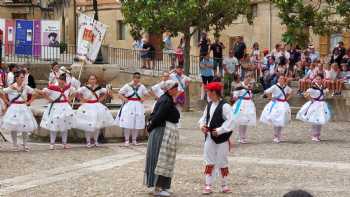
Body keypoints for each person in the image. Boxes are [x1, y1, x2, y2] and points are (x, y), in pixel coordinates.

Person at [144, 80, 180, 197]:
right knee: (160, 159)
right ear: (169, 89)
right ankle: (157, 187)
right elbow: (158, 116)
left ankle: (163, 186)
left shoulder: (167, 99)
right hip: (161, 132)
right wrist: (150, 127)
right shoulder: (165, 100)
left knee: (165, 159)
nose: (176, 89)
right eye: (175, 87)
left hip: (164, 131)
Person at [198, 82, 235, 194]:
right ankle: (208, 185)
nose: (207, 93)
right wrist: (202, 126)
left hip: (222, 139)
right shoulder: (209, 105)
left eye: (208, 91)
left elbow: (231, 121)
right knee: (209, 160)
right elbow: (204, 118)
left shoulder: (225, 106)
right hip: (209, 137)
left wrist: (219, 130)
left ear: (214, 92)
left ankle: (224, 185)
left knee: (222, 161)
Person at [0, 70, 38, 151]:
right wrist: (6, 102)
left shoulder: (25, 87)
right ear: (16, 78)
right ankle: (14, 145)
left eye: (23, 77)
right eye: (21, 77)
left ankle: (25, 144)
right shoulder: (12, 87)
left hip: (24, 107)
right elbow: (1, 92)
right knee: (13, 127)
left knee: (25, 126)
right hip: (14, 108)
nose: (23, 79)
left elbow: (35, 93)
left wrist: (30, 101)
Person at [75, 74, 115, 148]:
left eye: (94, 79)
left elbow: (107, 92)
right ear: (88, 80)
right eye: (91, 79)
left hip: (96, 106)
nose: (92, 80)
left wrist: (101, 99)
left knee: (97, 125)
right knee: (87, 125)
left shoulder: (99, 88)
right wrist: (82, 99)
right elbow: (76, 93)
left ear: (96, 80)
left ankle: (96, 140)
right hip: (87, 106)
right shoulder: (84, 88)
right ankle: (88, 141)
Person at [39, 73, 77, 150]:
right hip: (55, 108)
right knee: (54, 125)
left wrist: (69, 99)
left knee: (65, 125)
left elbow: (75, 92)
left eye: (63, 83)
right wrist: (49, 99)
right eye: (60, 82)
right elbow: (42, 92)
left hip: (65, 107)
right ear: (58, 80)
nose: (61, 84)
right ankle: (52, 143)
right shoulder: (52, 87)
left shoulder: (68, 87)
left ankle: (64, 143)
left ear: (65, 82)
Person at [116, 72, 149, 146]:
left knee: (137, 122)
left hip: (138, 105)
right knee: (127, 122)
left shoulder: (142, 86)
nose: (136, 79)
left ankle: (134, 140)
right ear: (133, 78)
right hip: (129, 105)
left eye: (138, 78)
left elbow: (147, 94)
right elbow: (119, 93)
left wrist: (143, 99)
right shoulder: (127, 86)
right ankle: (127, 140)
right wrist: (124, 99)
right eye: (135, 77)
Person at [296, 74, 331, 142]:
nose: (318, 80)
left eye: (319, 79)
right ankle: (314, 135)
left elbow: (326, 94)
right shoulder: (313, 87)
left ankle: (318, 135)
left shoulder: (323, 87)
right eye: (317, 79)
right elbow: (305, 93)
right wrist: (311, 99)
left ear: (322, 80)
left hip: (322, 105)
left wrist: (325, 95)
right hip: (315, 105)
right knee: (315, 120)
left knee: (320, 120)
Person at [260, 76, 292, 143]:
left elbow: (291, 92)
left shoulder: (286, 87)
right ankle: (276, 136)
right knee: (276, 119)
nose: (281, 79)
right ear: (278, 79)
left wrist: (287, 99)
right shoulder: (275, 86)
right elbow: (266, 91)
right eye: (280, 78)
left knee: (281, 120)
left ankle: (279, 135)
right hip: (276, 104)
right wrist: (271, 98)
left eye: (283, 78)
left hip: (283, 104)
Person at [231, 75, 256, 144]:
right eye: (247, 79)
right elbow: (235, 96)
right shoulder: (239, 86)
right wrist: (236, 98)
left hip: (248, 104)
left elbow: (250, 96)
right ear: (244, 78)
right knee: (241, 120)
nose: (248, 81)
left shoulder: (249, 86)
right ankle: (240, 137)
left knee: (245, 121)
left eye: (249, 80)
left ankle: (243, 136)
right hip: (241, 104)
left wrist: (250, 91)